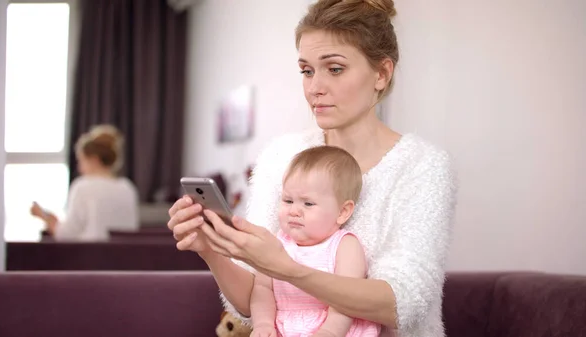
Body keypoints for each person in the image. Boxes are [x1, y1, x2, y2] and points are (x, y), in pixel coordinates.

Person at [167, 0, 457, 336]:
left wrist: (287, 269)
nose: (314, 88)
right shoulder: (281, 156)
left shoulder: (423, 166)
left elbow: (403, 304)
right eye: (307, 70)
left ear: (382, 73)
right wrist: (212, 251)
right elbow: (249, 304)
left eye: (334, 69)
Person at [250, 146, 380, 337]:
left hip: (334, 328)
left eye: (308, 203)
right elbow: (262, 288)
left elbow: (347, 297)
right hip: (284, 328)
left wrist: (330, 331)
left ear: (342, 212)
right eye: (287, 200)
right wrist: (263, 324)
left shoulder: (344, 246)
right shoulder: (278, 243)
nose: (294, 210)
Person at [31, 124, 139, 241]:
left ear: (93, 160)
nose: (79, 168)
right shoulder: (127, 188)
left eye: (81, 160)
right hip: (123, 256)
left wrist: (46, 218)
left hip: (91, 255)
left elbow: (67, 234)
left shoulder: (83, 187)